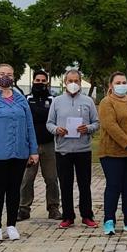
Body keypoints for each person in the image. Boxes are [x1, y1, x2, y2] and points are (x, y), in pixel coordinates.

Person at [0, 64, 39, 242]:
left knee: (14, 190)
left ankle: (11, 225)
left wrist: (33, 150)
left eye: (9, 74)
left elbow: (29, 126)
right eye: (2, 74)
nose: (5, 77)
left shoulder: (20, 100)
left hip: (19, 153)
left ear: (13, 77)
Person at [47, 70, 100, 229]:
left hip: (83, 150)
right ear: (64, 82)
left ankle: (87, 215)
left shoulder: (88, 101)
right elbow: (49, 123)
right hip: (63, 150)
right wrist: (57, 130)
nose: (73, 83)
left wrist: (88, 128)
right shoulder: (56, 101)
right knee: (65, 184)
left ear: (80, 81)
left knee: (85, 184)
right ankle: (68, 216)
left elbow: (96, 123)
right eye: (70, 80)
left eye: (76, 80)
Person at [98, 72, 127, 235]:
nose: (121, 85)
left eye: (124, 82)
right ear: (111, 85)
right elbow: (111, 126)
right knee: (114, 186)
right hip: (112, 153)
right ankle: (109, 221)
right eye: (118, 82)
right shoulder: (107, 102)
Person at [18, 69, 61, 221]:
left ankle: (53, 207)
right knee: (27, 178)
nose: (40, 83)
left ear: (47, 83)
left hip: (50, 144)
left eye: (43, 81)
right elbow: (26, 118)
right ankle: (23, 208)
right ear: (33, 81)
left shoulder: (54, 99)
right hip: (30, 145)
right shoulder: (25, 99)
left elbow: (52, 118)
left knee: (51, 178)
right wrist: (42, 114)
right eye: (38, 81)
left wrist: (37, 114)